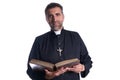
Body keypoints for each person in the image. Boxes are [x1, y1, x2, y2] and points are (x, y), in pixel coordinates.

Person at [26, 2, 92, 80]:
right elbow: (30, 68)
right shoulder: (39, 40)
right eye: (50, 16)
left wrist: (83, 67)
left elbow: (87, 60)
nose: (55, 19)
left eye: (57, 14)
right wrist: (47, 76)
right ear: (46, 19)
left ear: (63, 16)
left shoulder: (75, 36)